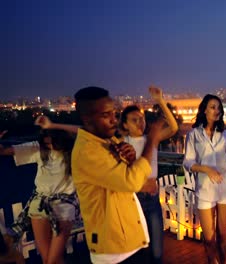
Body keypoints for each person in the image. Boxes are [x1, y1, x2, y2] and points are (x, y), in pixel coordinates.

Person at [71, 86, 166, 264]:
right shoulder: (88, 152)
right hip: (113, 250)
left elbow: (123, 175)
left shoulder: (108, 142)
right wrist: (151, 141)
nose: (113, 120)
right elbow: (131, 182)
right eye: (105, 115)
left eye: (114, 113)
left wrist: (129, 159)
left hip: (129, 241)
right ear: (87, 118)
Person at [0, 122, 78, 264]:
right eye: (47, 144)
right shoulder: (38, 148)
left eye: (53, 142)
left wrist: (54, 124)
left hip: (64, 206)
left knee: (52, 260)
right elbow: (4, 151)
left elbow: (87, 133)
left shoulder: (75, 151)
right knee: (47, 258)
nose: (50, 147)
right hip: (39, 204)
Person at [183, 94, 226, 264]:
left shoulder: (225, 135)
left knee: (223, 235)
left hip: (225, 188)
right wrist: (206, 169)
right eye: (212, 107)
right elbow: (188, 162)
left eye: (218, 107)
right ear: (204, 110)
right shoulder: (194, 134)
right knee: (209, 238)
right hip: (204, 189)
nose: (216, 111)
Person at [119, 86, 178, 264]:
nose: (140, 122)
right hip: (131, 201)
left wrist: (160, 101)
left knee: (157, 251)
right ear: (124, 125)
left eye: (142, 119)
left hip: (151, 199)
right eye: (134, 120)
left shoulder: (151, 139)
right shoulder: (121, 143)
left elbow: (174, 127)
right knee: (134, 251)